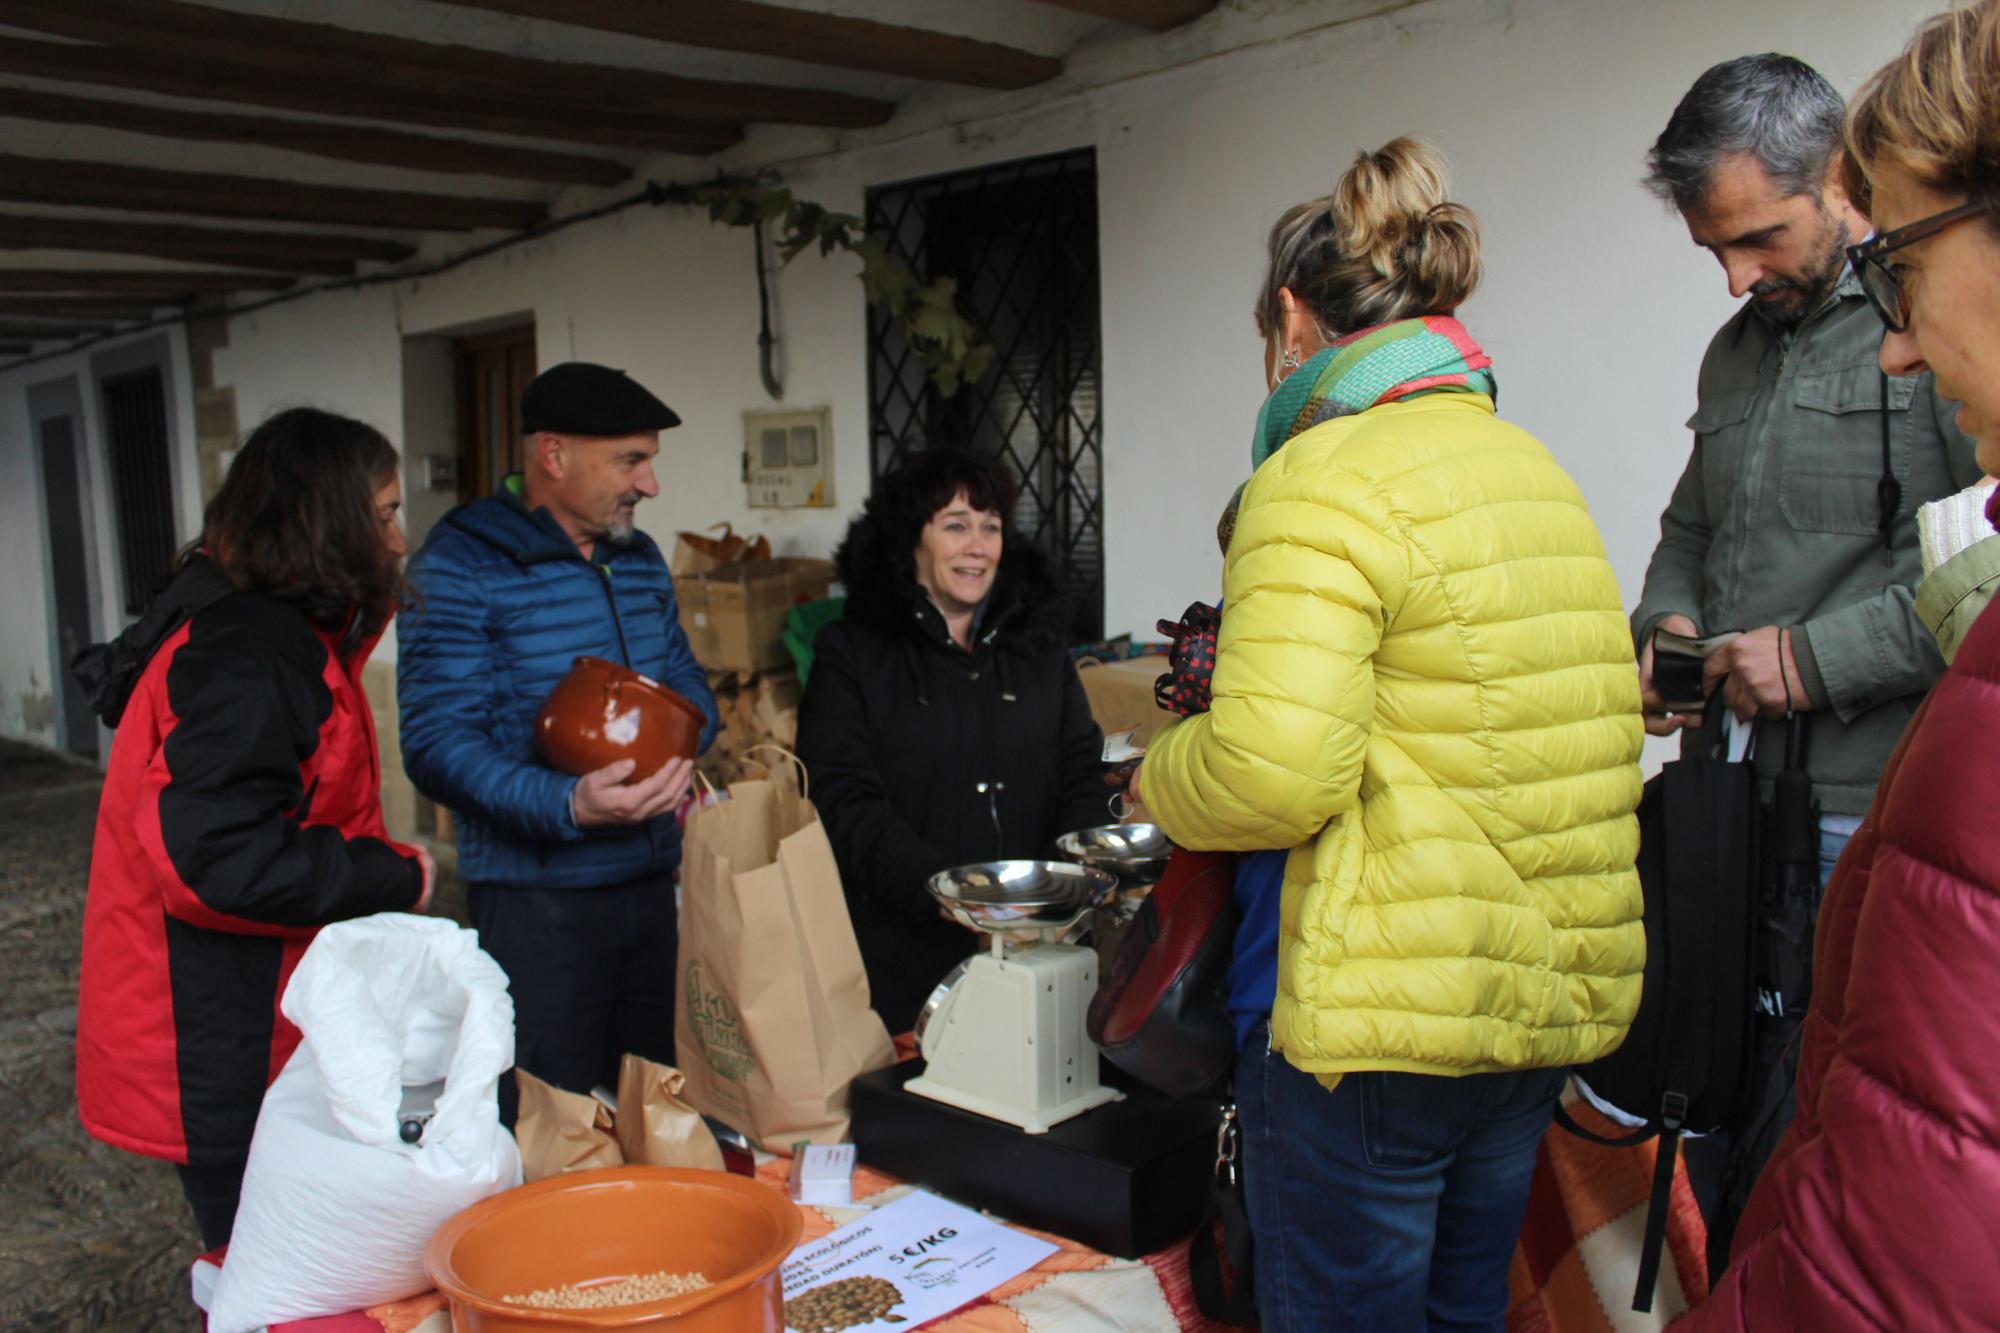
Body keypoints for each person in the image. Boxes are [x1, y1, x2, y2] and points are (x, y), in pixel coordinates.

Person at [1132, 138, 1645, 1331]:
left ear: (1291, 317)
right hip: (1531, 1002)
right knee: (1463, 1311)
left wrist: (1159, 780)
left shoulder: (1317, 474)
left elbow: (1268, 774)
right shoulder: (1533, 471)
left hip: (1371, 1027)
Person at [1633, 53, 1984, 1263]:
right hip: (1730, 800)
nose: (1735, 275)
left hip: (1865, 803)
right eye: (1711, 252)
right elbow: (1687, 531)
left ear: (1840, 183)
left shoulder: (1929, 326)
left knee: (1836, 1119)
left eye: (1757, 238)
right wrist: (1664, 626)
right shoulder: (1731, 355)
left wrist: (1814, 661)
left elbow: (1982, 567)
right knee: (1722, 1086)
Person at [73, 407, 433, 1251]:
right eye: (382, 513)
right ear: (327, 520)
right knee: (269, 1274)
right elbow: (218, 863)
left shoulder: (263, 630)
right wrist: (390, 873)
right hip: (218, 1036)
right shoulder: (253, 654)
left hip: (243, 1022)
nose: (399, 538)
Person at [398, 362, 717, 1116]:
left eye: (650, 461)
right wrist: (567, 802)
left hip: (648, 888)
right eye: (630, 461)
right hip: (538, 905)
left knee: (661, 1107)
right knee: (552, 1120)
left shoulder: (637, 559)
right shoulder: (460, 566)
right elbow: (435, 743)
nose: (649, 484)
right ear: (554, 455)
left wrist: (683, 746)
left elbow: (688, 684)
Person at [795, 449, 1108, 1034]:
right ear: (911, 539)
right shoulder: (853, 654)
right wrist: (946, 893)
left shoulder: (1038, 650)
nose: (977, 546)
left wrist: (1066, 888)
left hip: (1040, 949)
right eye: (955, 525)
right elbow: (842, 799)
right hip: (902, 960)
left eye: (990, 527)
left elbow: (1081, 772)